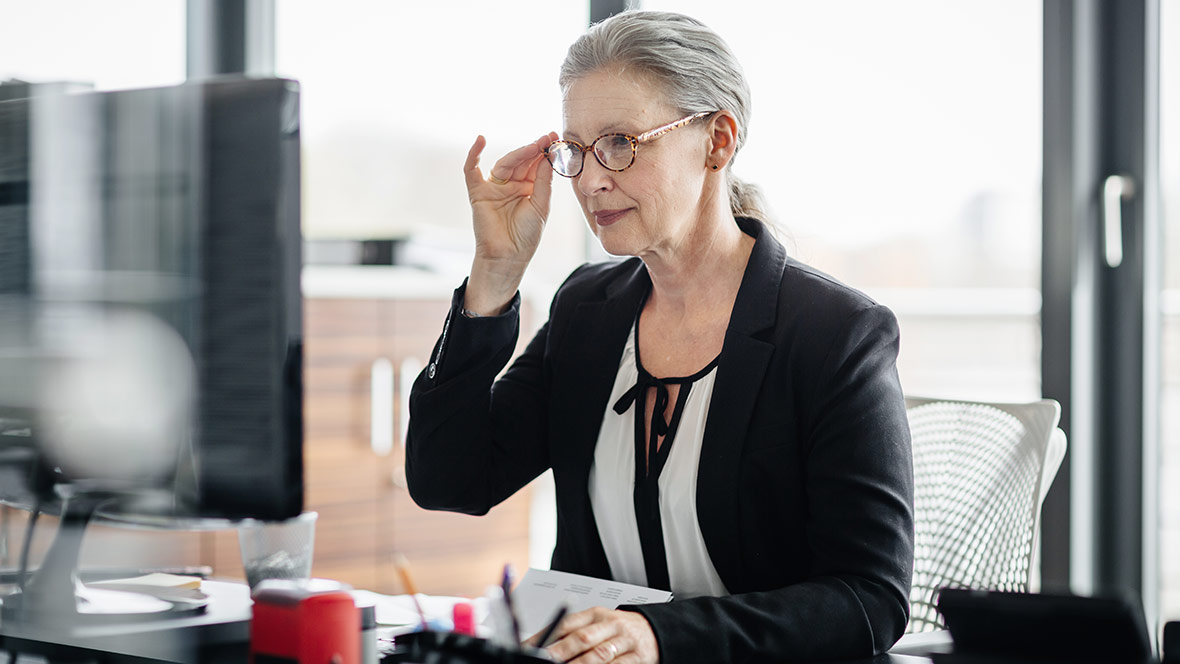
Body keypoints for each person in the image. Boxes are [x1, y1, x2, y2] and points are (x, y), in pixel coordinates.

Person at [406, 10, 913, 664]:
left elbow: (870, 599)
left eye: (620, 142)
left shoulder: (835, 335)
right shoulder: (588, 310)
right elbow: (450, 481)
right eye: (576, 150)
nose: (592, 179)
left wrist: (659, 636)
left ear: (717, 141)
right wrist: (494, 276)